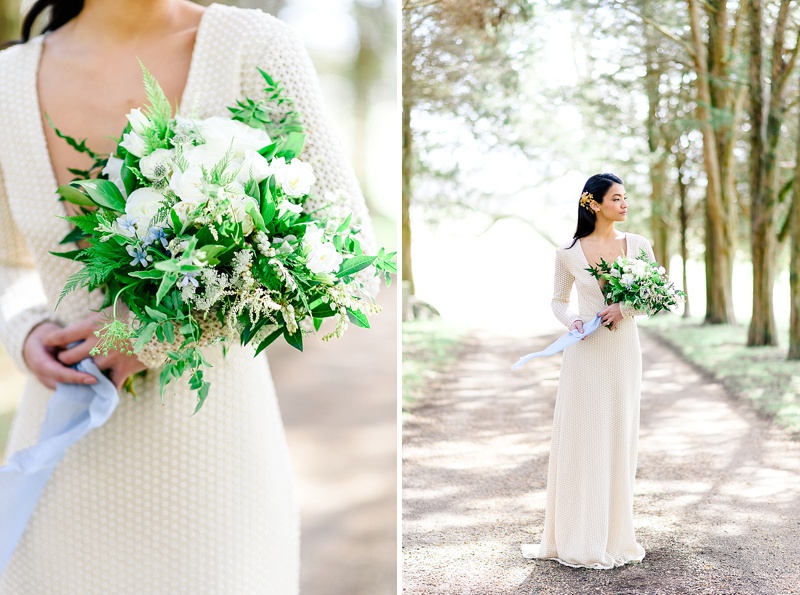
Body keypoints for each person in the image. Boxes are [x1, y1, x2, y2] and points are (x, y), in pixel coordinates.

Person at [0, 0, 375, 592]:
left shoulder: (252, 49)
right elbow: (7, 263)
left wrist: (153, 332)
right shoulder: (6, 84)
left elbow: (350, 256)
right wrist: (23, 331)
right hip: (60, 454)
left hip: (212, 471)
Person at [521, 172, 652, 569]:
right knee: (584, 437)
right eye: (616, 198)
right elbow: (558, 301)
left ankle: (614, 535)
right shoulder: (568, 253)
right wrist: (573, 321)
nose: (624, 204)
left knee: (618, 436)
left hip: (623, 351)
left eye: (625, 198)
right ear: (592, 203)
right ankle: (577, 535)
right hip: (585, 353)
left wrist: (624, 308)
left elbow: (654, 297)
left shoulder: (638, 245)